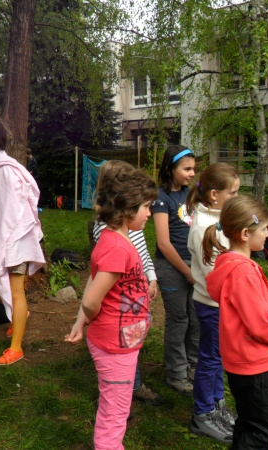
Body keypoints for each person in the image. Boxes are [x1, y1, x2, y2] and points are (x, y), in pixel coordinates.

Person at [65, 162, 158, 450]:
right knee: (115, 410)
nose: (150, 213)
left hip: (121, 342)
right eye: (146, 207)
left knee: (117, 404)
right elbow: (92, 300)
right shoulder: (117, 247)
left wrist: (80, 321)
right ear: (128, 209)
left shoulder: (117, 239)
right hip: (115, 346)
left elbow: (94, 283)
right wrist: (89, 317)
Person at [203, 195, 268, 449]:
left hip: (242, 362)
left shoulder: (229, 263)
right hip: (255, 366)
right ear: (246, 234)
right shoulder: (243, 272)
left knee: (249, 423)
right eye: (265, 229)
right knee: (267, 430)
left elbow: (253, 311)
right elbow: (258, 325)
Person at [0, 119, 45, 366]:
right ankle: (18, 314)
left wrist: (8, 242)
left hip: (16, 240)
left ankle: (16, 349)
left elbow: (18, 210)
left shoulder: (9, 171)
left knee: (16, 292)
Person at [91, 161, 163, 406]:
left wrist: (150, 276)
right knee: (116, 397)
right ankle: (123, 393)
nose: (149, 212)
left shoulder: (131, 225)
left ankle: (126, 389)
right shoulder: (113, 237)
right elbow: (97, 288)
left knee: (129, 355)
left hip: (132, 310)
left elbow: (141, 253)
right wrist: (91, 316)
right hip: (119, 318)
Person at [185, 162, 240, 443]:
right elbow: (216, 277)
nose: (238, 198)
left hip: (223, 305)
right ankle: (203, 414)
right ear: (215, 195)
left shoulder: (217, 221)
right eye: (234, 193)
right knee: (209, 359)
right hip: (213, 305)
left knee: (218, 358)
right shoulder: (203, 227)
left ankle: (217, 405)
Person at [151, 145, 199, 395]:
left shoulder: (192, 194)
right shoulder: (161, 198)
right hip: (172, 267)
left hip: (195, 265)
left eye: (194, 169)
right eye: (187, 169)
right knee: (179, 319)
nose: (192, 173)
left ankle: (194, 367)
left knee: (196, 317)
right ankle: (177, 373)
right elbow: (163, 243)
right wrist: (187, 272)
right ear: (170, 170)